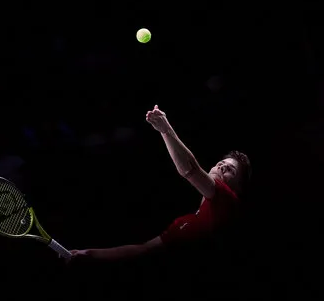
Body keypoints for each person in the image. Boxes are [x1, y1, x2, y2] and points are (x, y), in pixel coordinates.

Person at [69, 105, 251, 262]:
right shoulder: (184, 223)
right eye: (221, 163)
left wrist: (166, 130)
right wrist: (89, 254)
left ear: (238, 187)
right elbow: (144, 249)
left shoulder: (230, 203)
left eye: (230, 170)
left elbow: (191, 170)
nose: (221, 167)